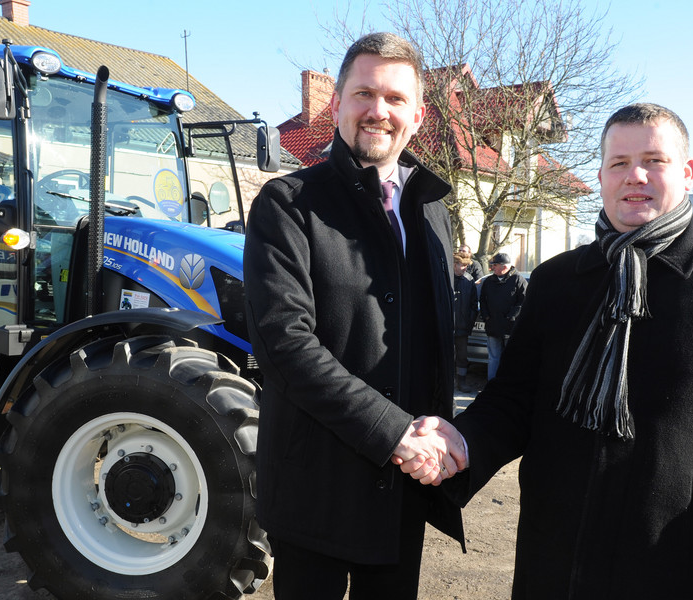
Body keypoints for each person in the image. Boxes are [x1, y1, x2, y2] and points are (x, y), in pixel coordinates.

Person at [402, 103, 693, 598]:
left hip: (673, 573)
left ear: (686, 174)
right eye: (619, 163)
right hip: (552, 566)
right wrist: (457, 443)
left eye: (654, 161)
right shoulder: (557, 281)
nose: (635, 175)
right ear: (600, 177)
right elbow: (514, 401)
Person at [243, 32, 464, 599]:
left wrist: (438, 435)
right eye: (364, 93)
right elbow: (284, 344)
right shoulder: (287, 204)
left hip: (401, 493)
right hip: (315, 490)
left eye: (395, 98)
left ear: (418, 113)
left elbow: (434, 341)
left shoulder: (433, 210)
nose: (378, 111)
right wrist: (395, 432)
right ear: (336, 103)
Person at [478, 252, 526, 380]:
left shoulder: (518, 280)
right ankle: (492, 384)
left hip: (510, 327)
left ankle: (506, 386)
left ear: (504, 267)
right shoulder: (489, 281)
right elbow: (482, 300)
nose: (492, 267)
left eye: (495, 265)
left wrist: (511, 316)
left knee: (510, 358)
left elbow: (524, 301)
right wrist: (486, 316)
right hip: (493, 326)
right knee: (493, 357)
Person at [453, 251, 479, 392]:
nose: (464, 268)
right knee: (446, 356)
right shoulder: (446, 278)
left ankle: (461, 383)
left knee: (462, 357)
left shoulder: (469, 281)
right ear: (454, 265)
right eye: (461, 265)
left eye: (465, 266)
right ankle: (447, 382)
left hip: (463, 327)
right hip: (447, 327)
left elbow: (474, 304)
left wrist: (469, 322)